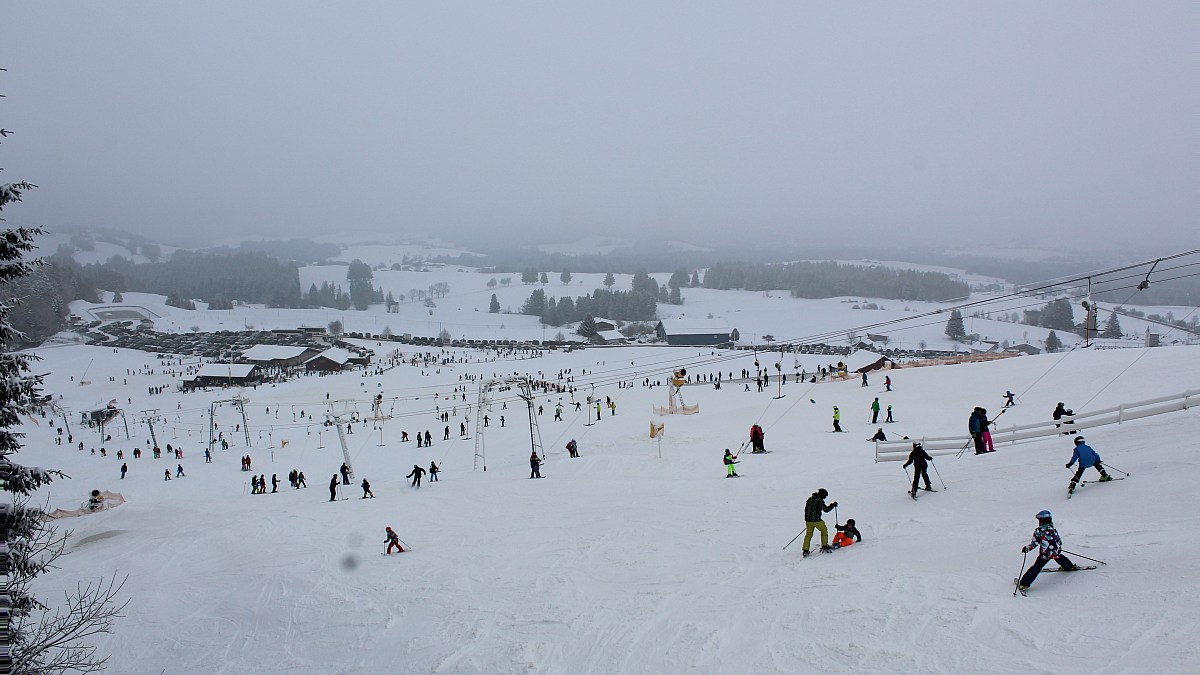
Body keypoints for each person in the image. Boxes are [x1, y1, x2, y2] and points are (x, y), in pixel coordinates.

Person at [1018, 510, 1077, 592]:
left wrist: (1027, 548)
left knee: (1037, 567)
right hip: (1056, 551)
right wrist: (1057, 548)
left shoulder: (1039, 530)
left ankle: (1024, 583)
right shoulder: (1053, 528)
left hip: (1045, 553)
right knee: (1058, 557)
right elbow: (1058, 540)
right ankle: (1069, 566)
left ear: (1042, 520)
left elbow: (1034, 543)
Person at [801, 489, 838, 556]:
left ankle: (805, 549)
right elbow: (826, 509)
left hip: (808, 520)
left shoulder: (810, 499)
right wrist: (833, 505)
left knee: (808, 534)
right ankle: (824, 545)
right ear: (822, 495)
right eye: (825, 496)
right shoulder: (819, 501)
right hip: (816, 520)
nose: (825, 497)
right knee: (824, 530)